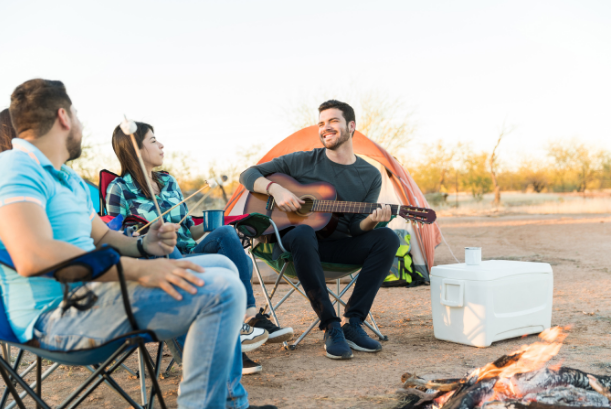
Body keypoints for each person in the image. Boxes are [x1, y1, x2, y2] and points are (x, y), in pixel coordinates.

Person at [0, 79, 262, 408]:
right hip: (56, 318)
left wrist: (145, 245)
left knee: (223, 266)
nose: (81, 123)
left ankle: (227, 399)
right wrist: (141, 271)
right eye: (78, 115)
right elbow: (32, 255)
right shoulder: (15, 166)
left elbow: (105, 236)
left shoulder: (68, 178)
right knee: (223, 291)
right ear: (64, 116)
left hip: (92, 295)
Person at [106, 122, 293, 373]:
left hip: (188, 252)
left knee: (226, 232)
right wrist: (149, 234)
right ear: (136, 150)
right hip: (157, 260)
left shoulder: (168, 181)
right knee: (169, 245)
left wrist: (208, 226)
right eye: (153, 141)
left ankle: (246, 315)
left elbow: (187, 229)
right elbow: (117, 235)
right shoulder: (119, 189)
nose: (161, 145)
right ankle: (233, 341)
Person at [239, 100, 400, 360]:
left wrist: (371, 221)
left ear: (351, 126)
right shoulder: (303, 161)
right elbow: (248, 174)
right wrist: (276, 189)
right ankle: (330, 325)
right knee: (303, 233)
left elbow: (358, 230)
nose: (326, 128)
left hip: (337, 247)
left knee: (387, 238)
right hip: (295, 247)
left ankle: (353, 324)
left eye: (333, 121)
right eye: (321, 123)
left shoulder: (369, 175)